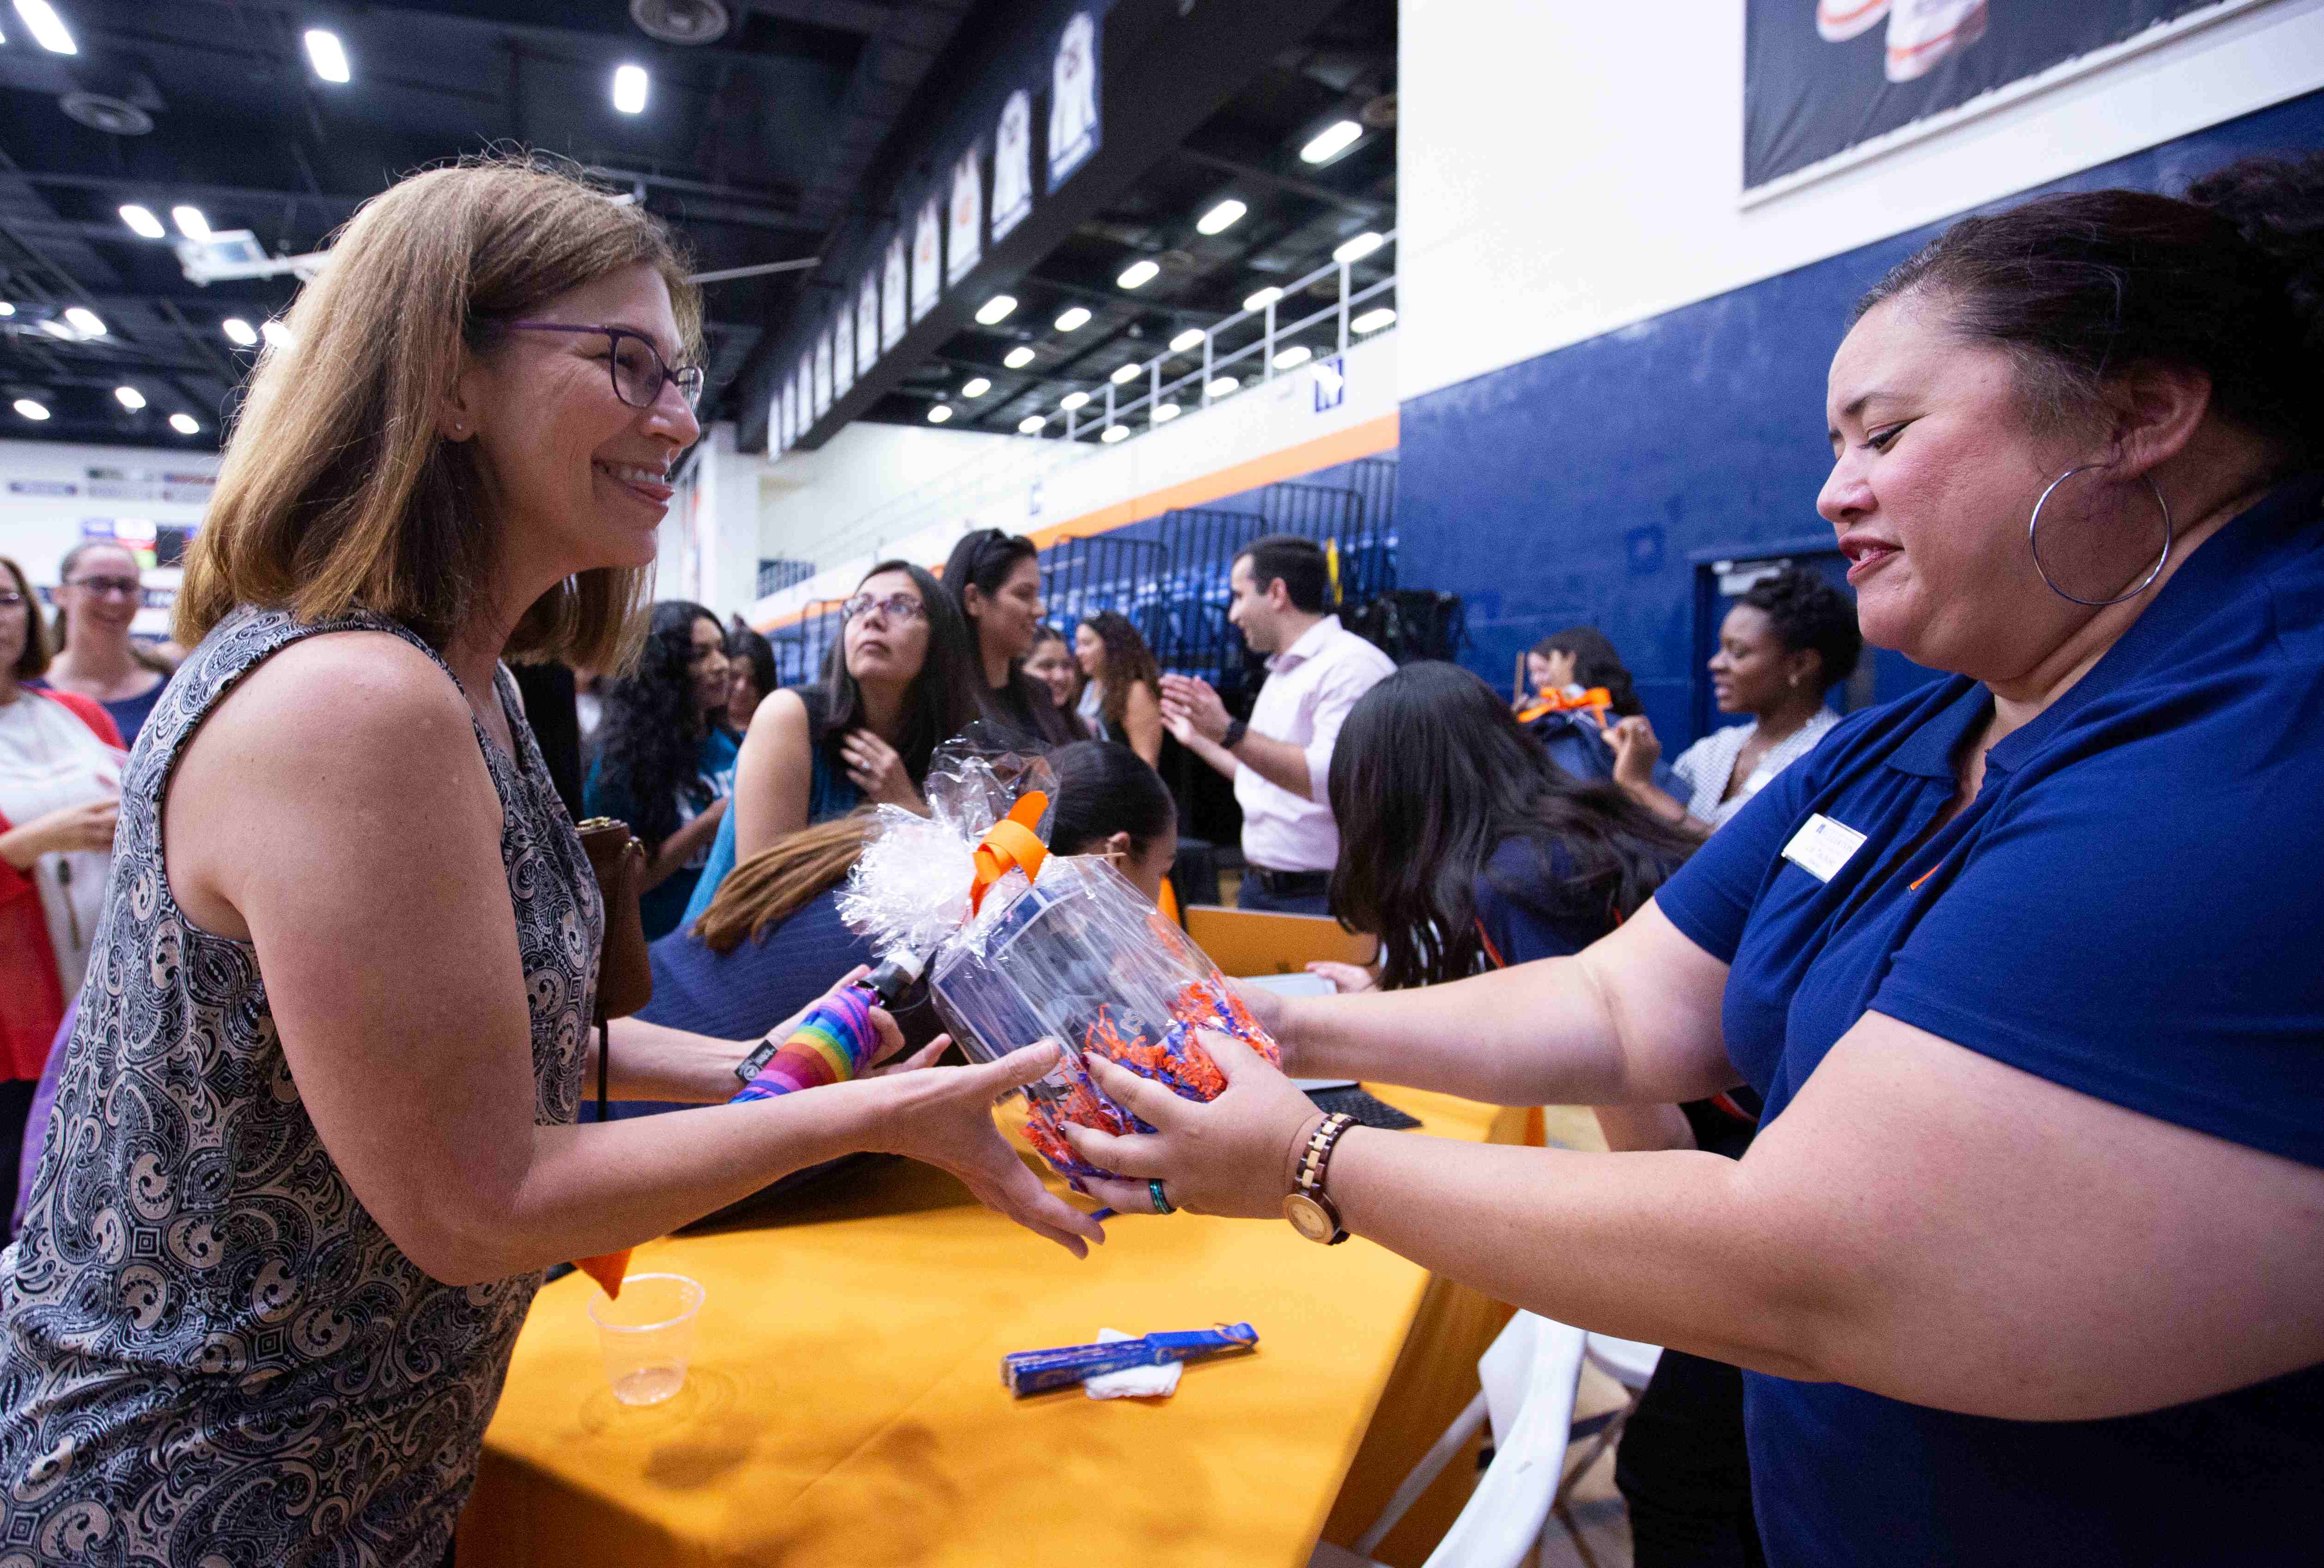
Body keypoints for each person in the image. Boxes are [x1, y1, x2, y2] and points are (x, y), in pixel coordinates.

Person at [1049, 157, 2324, 1567]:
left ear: (2141, 415)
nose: (1833, 493)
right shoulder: (1929, 732)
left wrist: (1308, 1155)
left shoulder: (2250, 749)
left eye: (1882, 433)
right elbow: (1619, 1007)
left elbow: (1818, 1257)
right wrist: (1284, 1019)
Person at [0, 156, 1097, 1568]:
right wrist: (864, 1122)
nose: (682, 418)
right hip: (199, 1503)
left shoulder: (469, 685)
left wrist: (803, 1066)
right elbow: (476, 1202)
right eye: (628, 363)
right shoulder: (357, 702)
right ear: (445, 379)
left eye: (680, 373)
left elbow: (472, 1046)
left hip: (349, 1474)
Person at [1325, 661, 1763, 1567]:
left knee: (1678, 1476)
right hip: (1769, 1123)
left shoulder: (1518, 876)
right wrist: (1374, 997)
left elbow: (1654, 1131)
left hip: (1753, 1159)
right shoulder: (1568, 829)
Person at [638, 739, 1179, 1084]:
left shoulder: (912, 849)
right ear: (1114, 851)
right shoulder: (1004, 952)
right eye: (1162, 868)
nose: (1154, 897)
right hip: (660, 1156)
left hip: (613, 1050)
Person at [683, 559, 985, 927]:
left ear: (939, 641)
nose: (872, 619)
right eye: (860, 605)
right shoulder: (787, 716)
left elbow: (960, 902)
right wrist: (907, 824)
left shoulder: (951, 749)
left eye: (901, 606)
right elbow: (763, 903)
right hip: (732, 958)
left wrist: (905, 807)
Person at [1160, 533, 1393, 915]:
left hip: (1324, 896)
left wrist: (1230, 732)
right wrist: (1201, 739)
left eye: (1239, 596)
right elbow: (1264, 778)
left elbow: (1331, 779)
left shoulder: (1351, 666)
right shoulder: (1284, 671)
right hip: (1266, 889)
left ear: (1277, 593)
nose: (1233, 615)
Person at [0, 555, 122, 1225]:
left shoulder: (77, 714)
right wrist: (35, 841)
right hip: (12, 1024)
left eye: (7, 599)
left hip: (99, 1007)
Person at [1608, 570, 1861, 834]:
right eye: (1721, 648)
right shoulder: (1713, 750)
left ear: (1800, 664)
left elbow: (1748, 862)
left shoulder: (1832, 758)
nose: (1716, 663)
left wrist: (1640, 787)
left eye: (1737, 652)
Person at [584, 600, 737, 938]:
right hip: (662, 954)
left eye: (721, 650)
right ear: (663, 670)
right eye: (700, 656)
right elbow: (618, 886)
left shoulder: (732, 744)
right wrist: (707, 826)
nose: (721, 665)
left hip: (727, 939)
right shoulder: (620, 766)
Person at [941, 528, 1077, 746]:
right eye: (1024, 595)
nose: (1040, 610)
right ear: (974, 600)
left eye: (1037, 595)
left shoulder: (1039, 693)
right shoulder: (943, 703)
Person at [31, 540, 169, 749]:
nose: (115, 599)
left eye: (127, 586)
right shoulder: (27, 688)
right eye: (97, 584)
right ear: (61, 595)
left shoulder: (171, 689)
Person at [1074, 609, 1164, 766]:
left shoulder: (1135, 692)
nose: (1078, 652)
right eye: (1078, 644)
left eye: (1087, 644)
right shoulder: (1087, 686)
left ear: (1113, 646)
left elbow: (1147, 762)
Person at [1024, 623, 1087, 729]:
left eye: (1067, 666)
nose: (1060, 677)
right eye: (1047, 666)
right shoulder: (1002, 732)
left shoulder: (1088, 729)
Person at [724, 624, 776, 736]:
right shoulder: (699, 734)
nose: (742, 687)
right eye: (734, 676)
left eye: (753, 680)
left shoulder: (781, 732)